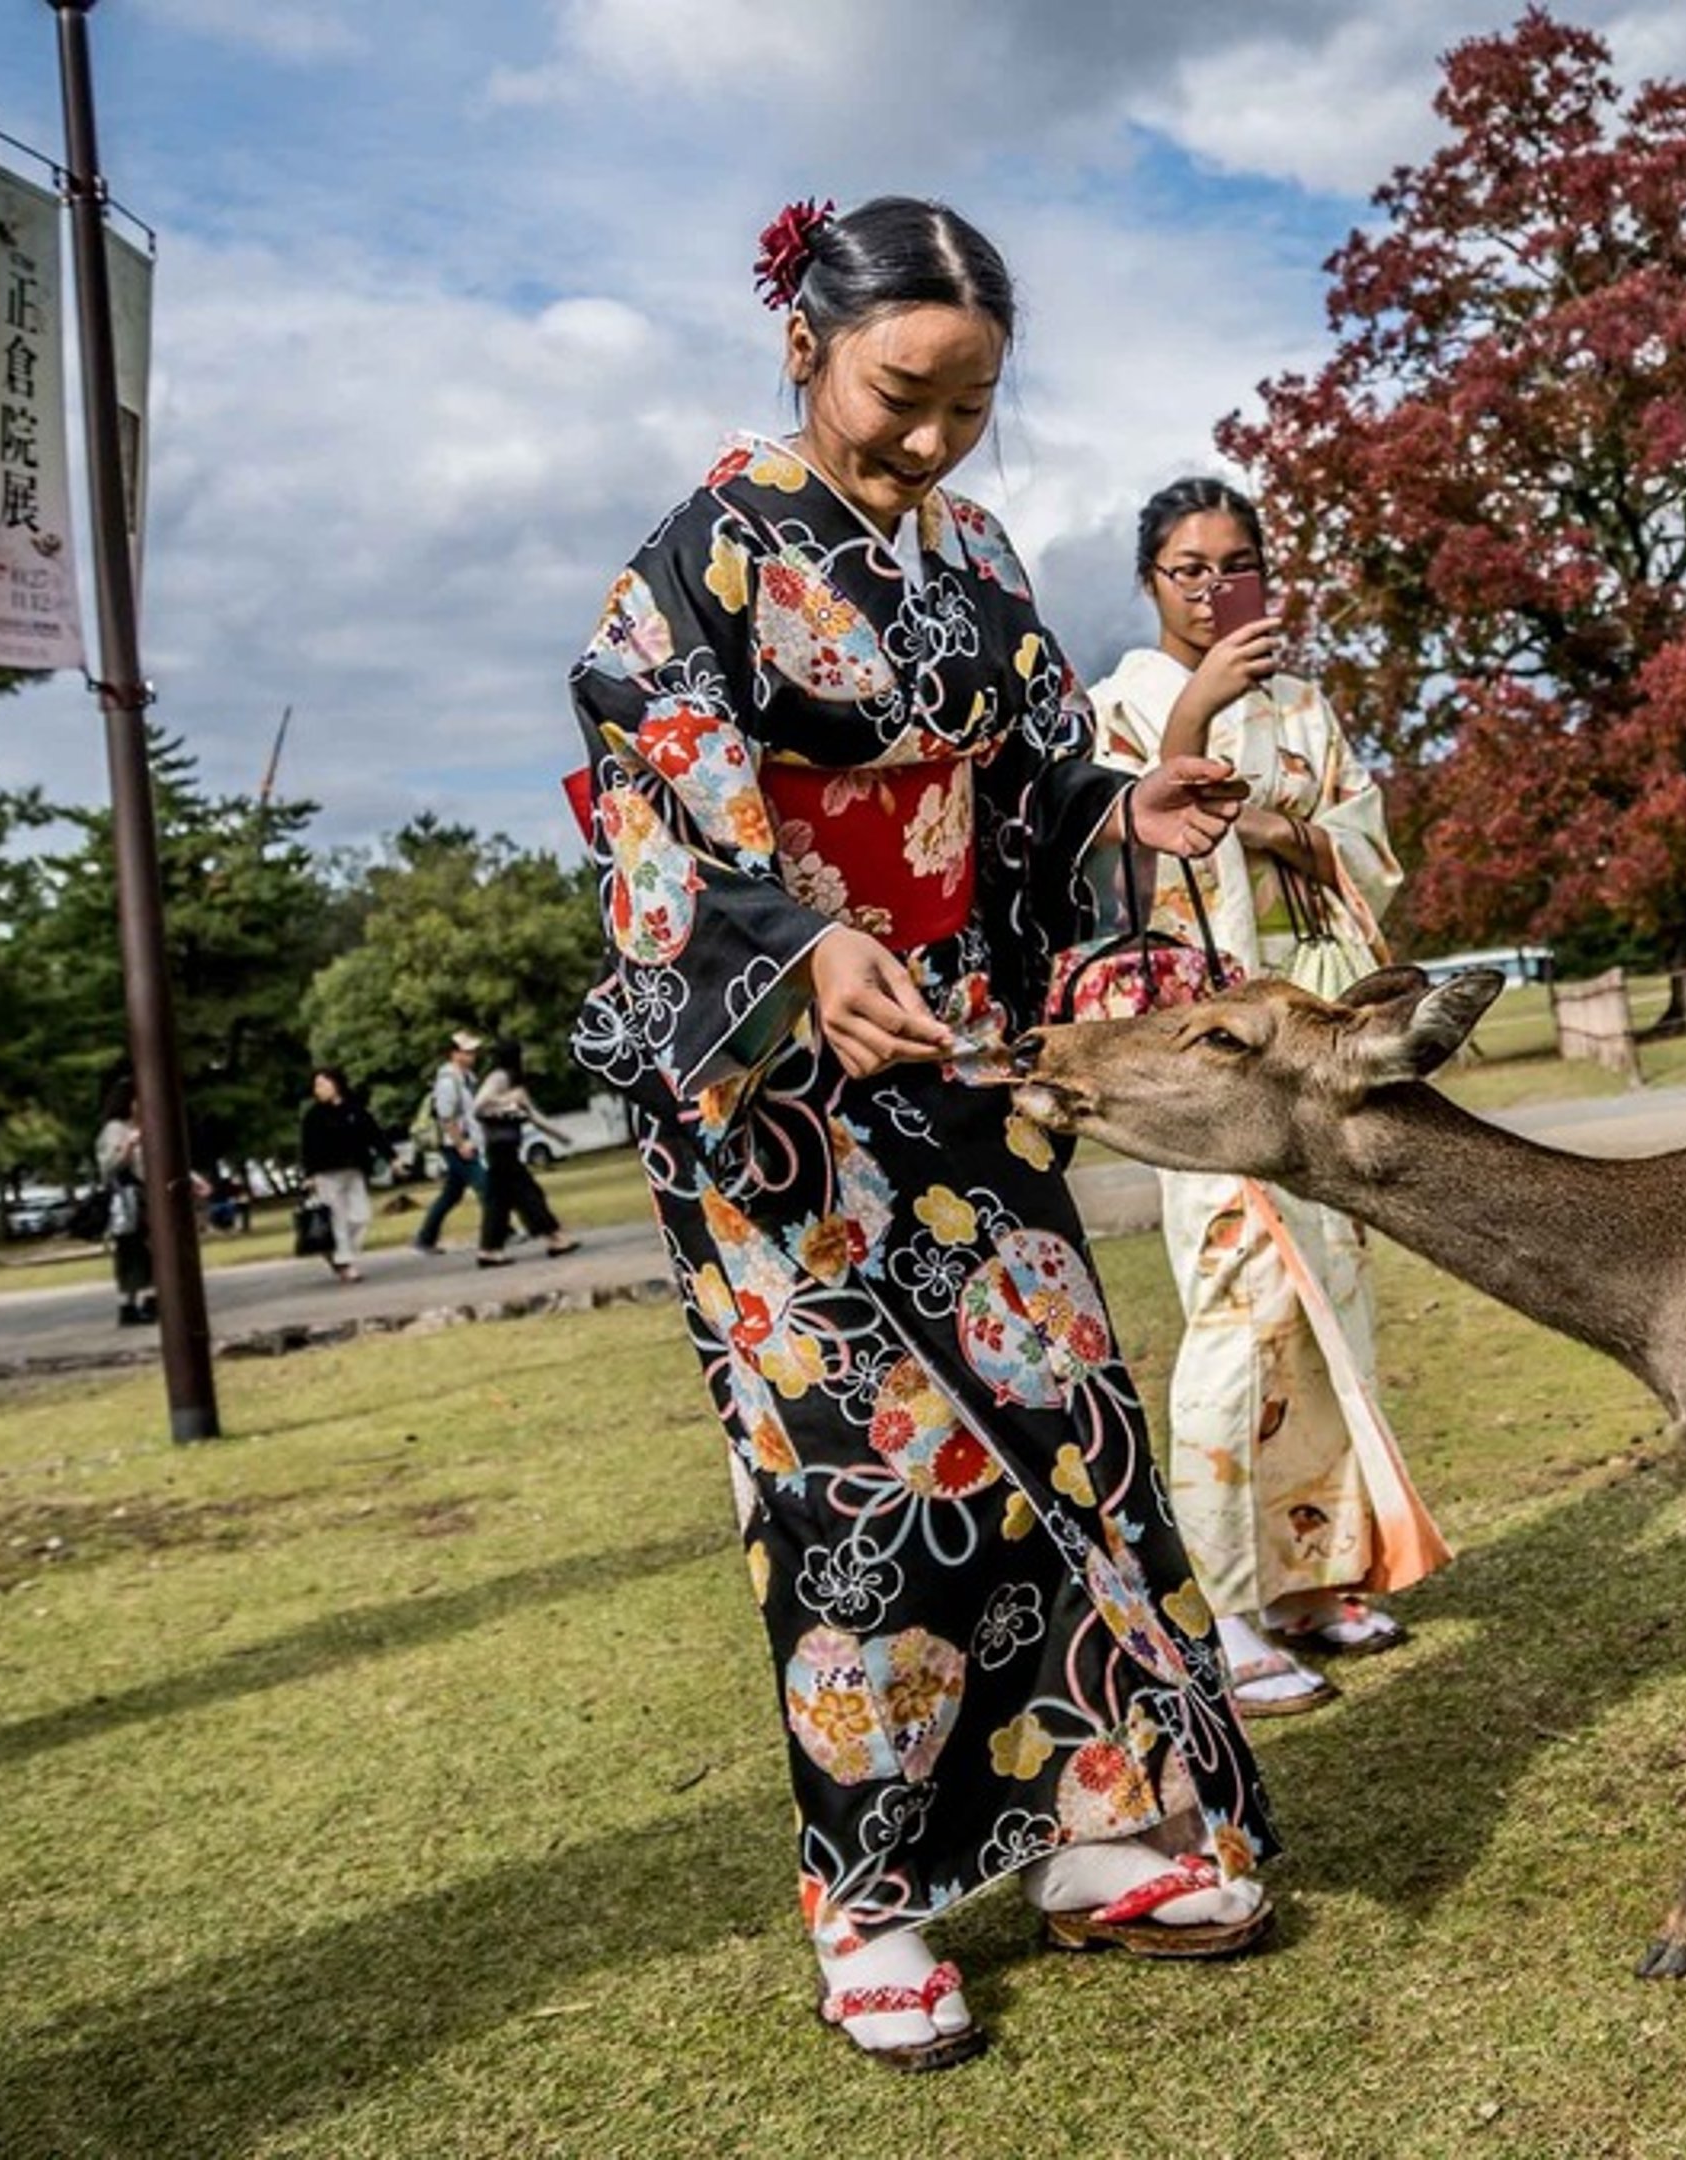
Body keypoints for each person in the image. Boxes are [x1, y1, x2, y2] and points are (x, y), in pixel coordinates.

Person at [563, 193, 1271, 2071]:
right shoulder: (700, 557)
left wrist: (1134, 808)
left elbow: (1035, 782)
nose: (935, 440)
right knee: (859, 1481)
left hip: (952, 1043)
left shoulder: (972, 551)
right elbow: (655, 800)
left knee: (1065, 1418)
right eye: (904, 395)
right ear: (806, 344)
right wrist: (800, 936)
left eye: (970, 406)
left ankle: (1100, 1826)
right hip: (775, 1094)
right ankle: (867, 1906)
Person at [1085, 477, 1447, 1718]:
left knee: (1333, 1297)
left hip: (1320, 1047)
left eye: (1236, 564)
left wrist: (1291, 828)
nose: (1211, 587)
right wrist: (1199, 716)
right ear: (1151, 579)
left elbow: (1363, 844)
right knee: (1237, 1307)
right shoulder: (1124, 702)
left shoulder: (1306, 708)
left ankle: (1312, 1575)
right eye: (1187, 568)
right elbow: (1123, 853)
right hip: (1212, 1062)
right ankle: (1220, 1608)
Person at [469, 1039, 579, 1268]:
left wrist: (561, 1136)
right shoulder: (500, 1077)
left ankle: (489, 1250)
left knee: (498, 1202)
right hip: (500, 1148)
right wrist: (510, 1101)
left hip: (505, 1148)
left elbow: (533, 1115)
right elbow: (479, 1104)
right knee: (528, 1194)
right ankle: (554, 1238)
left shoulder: (513, 1081)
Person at [297, 1067, 385, 1284]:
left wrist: (392, 1158)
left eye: (323, 1084)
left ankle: (340, 1255)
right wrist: (308, 1174)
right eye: (316, 1085)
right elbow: (307, 1147)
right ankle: (346, 1263)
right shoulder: (313, 1116)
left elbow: (374, 1135)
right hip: (326, 1174)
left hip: (354, 1170)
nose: (319, 1089)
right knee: (337, 1218)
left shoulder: (354, 1109)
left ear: (336, 1084)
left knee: (361, 1216)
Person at [412, 1032, 488, 1255]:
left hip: (466, 1141)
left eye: (473, 1051)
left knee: (451, 1193)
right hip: (455, 1144)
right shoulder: (448, 1080)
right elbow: (446, 1117)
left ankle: (425, 1237)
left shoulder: (467, 1077)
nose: (472, 1055)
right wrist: (461, 1143)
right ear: (454, 1054)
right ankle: (502, 1230)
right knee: (486, 1186)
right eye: (467, 1051)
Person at [94, 1073, 154, 1326]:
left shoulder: (140, 1127)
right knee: (132, 1253)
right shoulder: (115, 1130)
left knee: (148, 1252)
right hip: (128, 1201)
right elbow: (109, 1167)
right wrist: (129, 1147)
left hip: (145, 1198)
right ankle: (129, 1305)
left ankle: (148, 1300)